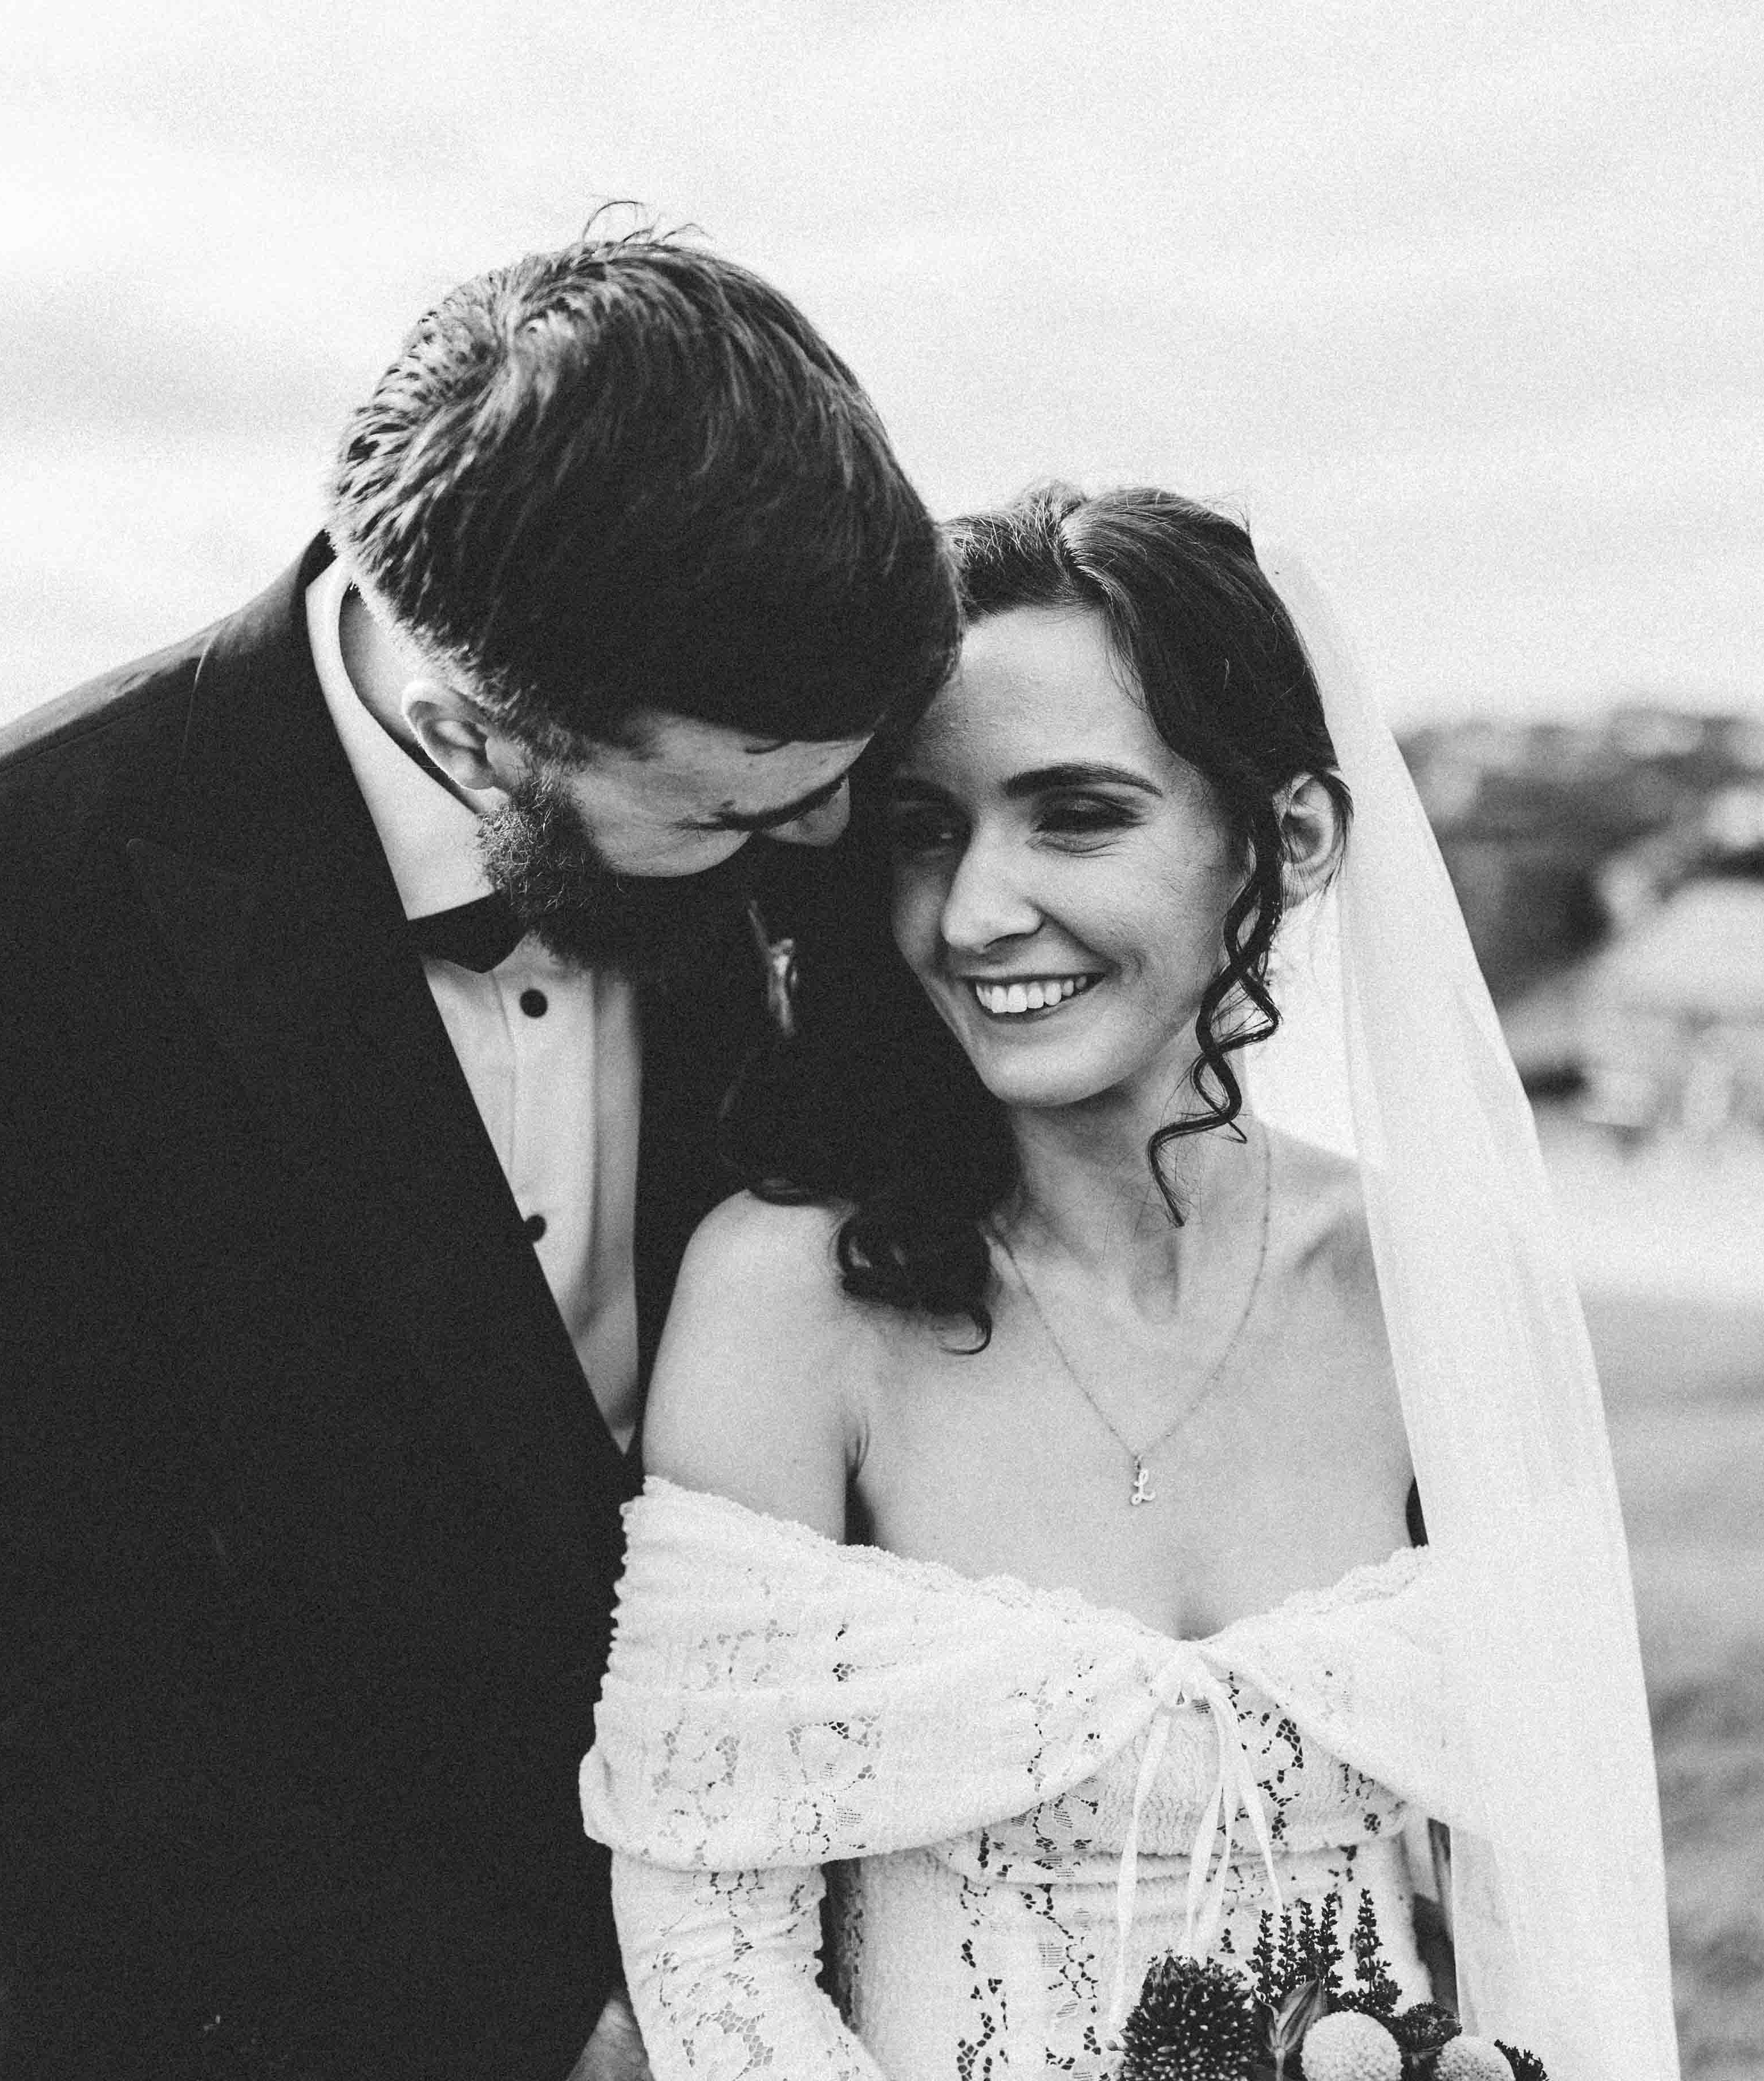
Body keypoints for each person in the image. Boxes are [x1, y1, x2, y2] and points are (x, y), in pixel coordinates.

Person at [0, 229, 959, 2080]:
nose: (838, 835)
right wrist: (542, 2026)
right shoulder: (12, 888)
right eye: (745, 801)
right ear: (473, 728)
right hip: (250, 2012)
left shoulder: (785, 748)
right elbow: (13, 1683)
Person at [583, 487, 1680, 2080]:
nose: (973, 913)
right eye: (924, 829)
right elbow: (708, 1949)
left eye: (1078, 816)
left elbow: (1546, 1907)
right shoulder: (793, 1301)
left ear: (1289, 837)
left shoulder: (1426, 1290)